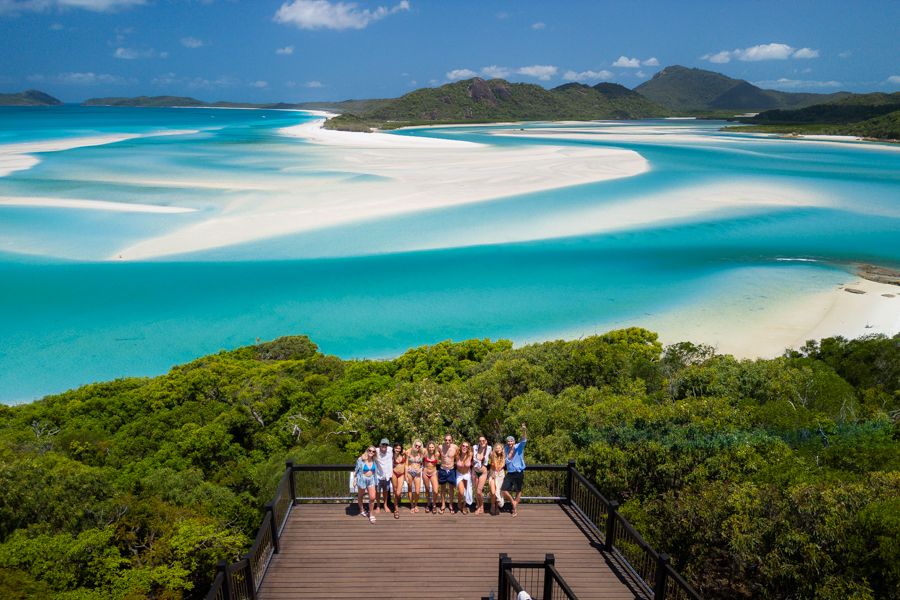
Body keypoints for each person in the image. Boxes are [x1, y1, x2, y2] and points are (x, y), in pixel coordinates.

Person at [501, 424, 527, 517]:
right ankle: (513, 502)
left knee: (518, 490)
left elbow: (523, 439)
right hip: (509, 473)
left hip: (518, 472)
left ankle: (514, 509)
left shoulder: (518, 446)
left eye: (511, 441)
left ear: (514, 441)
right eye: (508, 441)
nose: (509, 442)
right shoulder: (505, 449)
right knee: (504, 490)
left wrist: (524, 430)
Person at [354, 446, 378, 523]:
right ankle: (361, 509)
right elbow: (356, 470)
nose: (371, 452)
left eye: (373, 451)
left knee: (372, 497)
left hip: (371, 479)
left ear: (375, 453)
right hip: (362, 479)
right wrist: (354, 480)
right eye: (370, 450)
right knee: (361, 495)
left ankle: (371, 514)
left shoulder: (374, 460)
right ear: (367, 451)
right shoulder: (361, 459)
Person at [438, 433, 458, 514]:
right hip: (442, 469)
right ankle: (443, 504)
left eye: (449, 440)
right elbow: (436, 455)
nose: (447, 441)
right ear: (444, 440)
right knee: (442, 489)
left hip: (451, 470)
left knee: (451, 489)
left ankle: (450, 505)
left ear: (452, 440)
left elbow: (458, 457)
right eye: (446, 440)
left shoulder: (455, 447)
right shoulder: (440, 447)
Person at [472, 435, 492, 514]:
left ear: (486, 441)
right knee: (476, 491)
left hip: (483, 472)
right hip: (474, 471)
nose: (482, 442)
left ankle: (481, 506)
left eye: (483, 441)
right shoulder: (475, 448)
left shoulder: (489, 448)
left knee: (479, 491)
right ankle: (478, 504)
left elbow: (494, 457)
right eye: (480, 441)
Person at [373, 438, 394, 513]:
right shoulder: (376, 451)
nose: (384, 446)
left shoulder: (390, 450)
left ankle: (385, 505)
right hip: (378, 476)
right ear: (380, 444)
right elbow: (367, 453)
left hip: (387, 475)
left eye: (386, 444)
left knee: (385, 491)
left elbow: (401, 450)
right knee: (377, 492)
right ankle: (378, 506)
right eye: (383, 444)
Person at [406, 439, 425, 513]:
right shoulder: (409, 452)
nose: (417, 447)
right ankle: (412, 505)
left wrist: (421, 469)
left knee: (417, 491)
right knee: (410, 489)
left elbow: (423, 464)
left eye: (419, 446)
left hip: (417, 473)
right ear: (414, 445)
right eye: (416, 445)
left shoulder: (422, 453)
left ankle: (416, 504)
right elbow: (406, 464)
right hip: (410, 472)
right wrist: (405, 475)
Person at [455, 441, 474, 514]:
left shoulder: (470, 454)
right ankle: (459, 502)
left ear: (468, 448)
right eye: (463, 446)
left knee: (467, 492)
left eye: (466, 446)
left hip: (467, 474)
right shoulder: (457, 455)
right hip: (459, 474)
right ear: (461, 446)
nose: (464, 447)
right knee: (461, 491)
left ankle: (464, 506)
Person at [488, 442, 506, 516]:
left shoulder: (504, 456)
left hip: (500, 475)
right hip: (493, 474)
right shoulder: (492, 455)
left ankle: (496, 506)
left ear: (502, 449)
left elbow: (502, 466)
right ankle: (493, 505)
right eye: (496, 448)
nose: (498, 449)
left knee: (498, 491)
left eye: (499, 448)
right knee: (493, 492)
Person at [422, 441, 440, 513]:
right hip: (425, 473)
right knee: (427, 489)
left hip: (433, 473)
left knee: (435, 490)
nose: (431, 448)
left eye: (432, 447)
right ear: (427, 447)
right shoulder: (425, 453)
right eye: (429, 447)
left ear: (434, 447)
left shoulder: (437, 454)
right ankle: (428, 503)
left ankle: (434, 504)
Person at [391, 442, 407, 519]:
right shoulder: (391, 456)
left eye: (399, 448)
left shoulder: (404, 455)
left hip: (401, 474)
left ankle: (397, 500)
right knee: (394, 490)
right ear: (394, 448)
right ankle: (396, 509)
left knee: (398, 492)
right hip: (394, 473)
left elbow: (406, 465)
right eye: (396, 448)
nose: (398, 449)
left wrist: (406, 475)